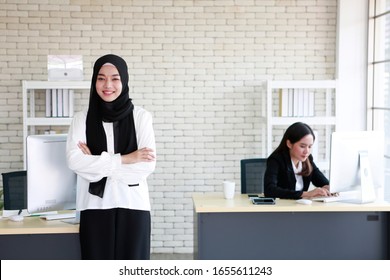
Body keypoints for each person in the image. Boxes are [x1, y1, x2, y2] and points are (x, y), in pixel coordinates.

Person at [66, 54, 156, 260]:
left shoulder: (141, 117)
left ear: (123, 81)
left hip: (133, 205)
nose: (108, 84)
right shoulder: (81, 119)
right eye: (101, 78)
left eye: (115, 78)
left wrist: (94, 165)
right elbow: (74, 161)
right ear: (94, 81)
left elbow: (146, 167)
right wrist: (125, 159)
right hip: (94, 206)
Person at [264, 122, 331, 199]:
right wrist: (307, 194)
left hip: (300, 207)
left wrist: (329, 188)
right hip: (282, 207)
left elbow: (322, 181)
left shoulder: (308, 159)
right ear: (289, 144)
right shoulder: (276, 160)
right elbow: (269, 190)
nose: (307, 151)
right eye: (302, 146)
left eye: (310, 146)